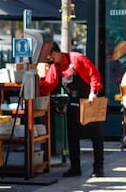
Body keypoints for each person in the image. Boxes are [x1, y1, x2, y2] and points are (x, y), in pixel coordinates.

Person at [40, 42, 104, 177]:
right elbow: (49, 85)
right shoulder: (55, 67)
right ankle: (75, 168)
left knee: (95, 136)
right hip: (73, 103)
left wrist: (93, 92)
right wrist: (36, 83)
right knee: (73, 137)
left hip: (89, 101)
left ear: (56, 53)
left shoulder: (77, 58)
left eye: (49, 58)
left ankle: (98, 168)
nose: (49, 61)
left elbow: (94, 74)